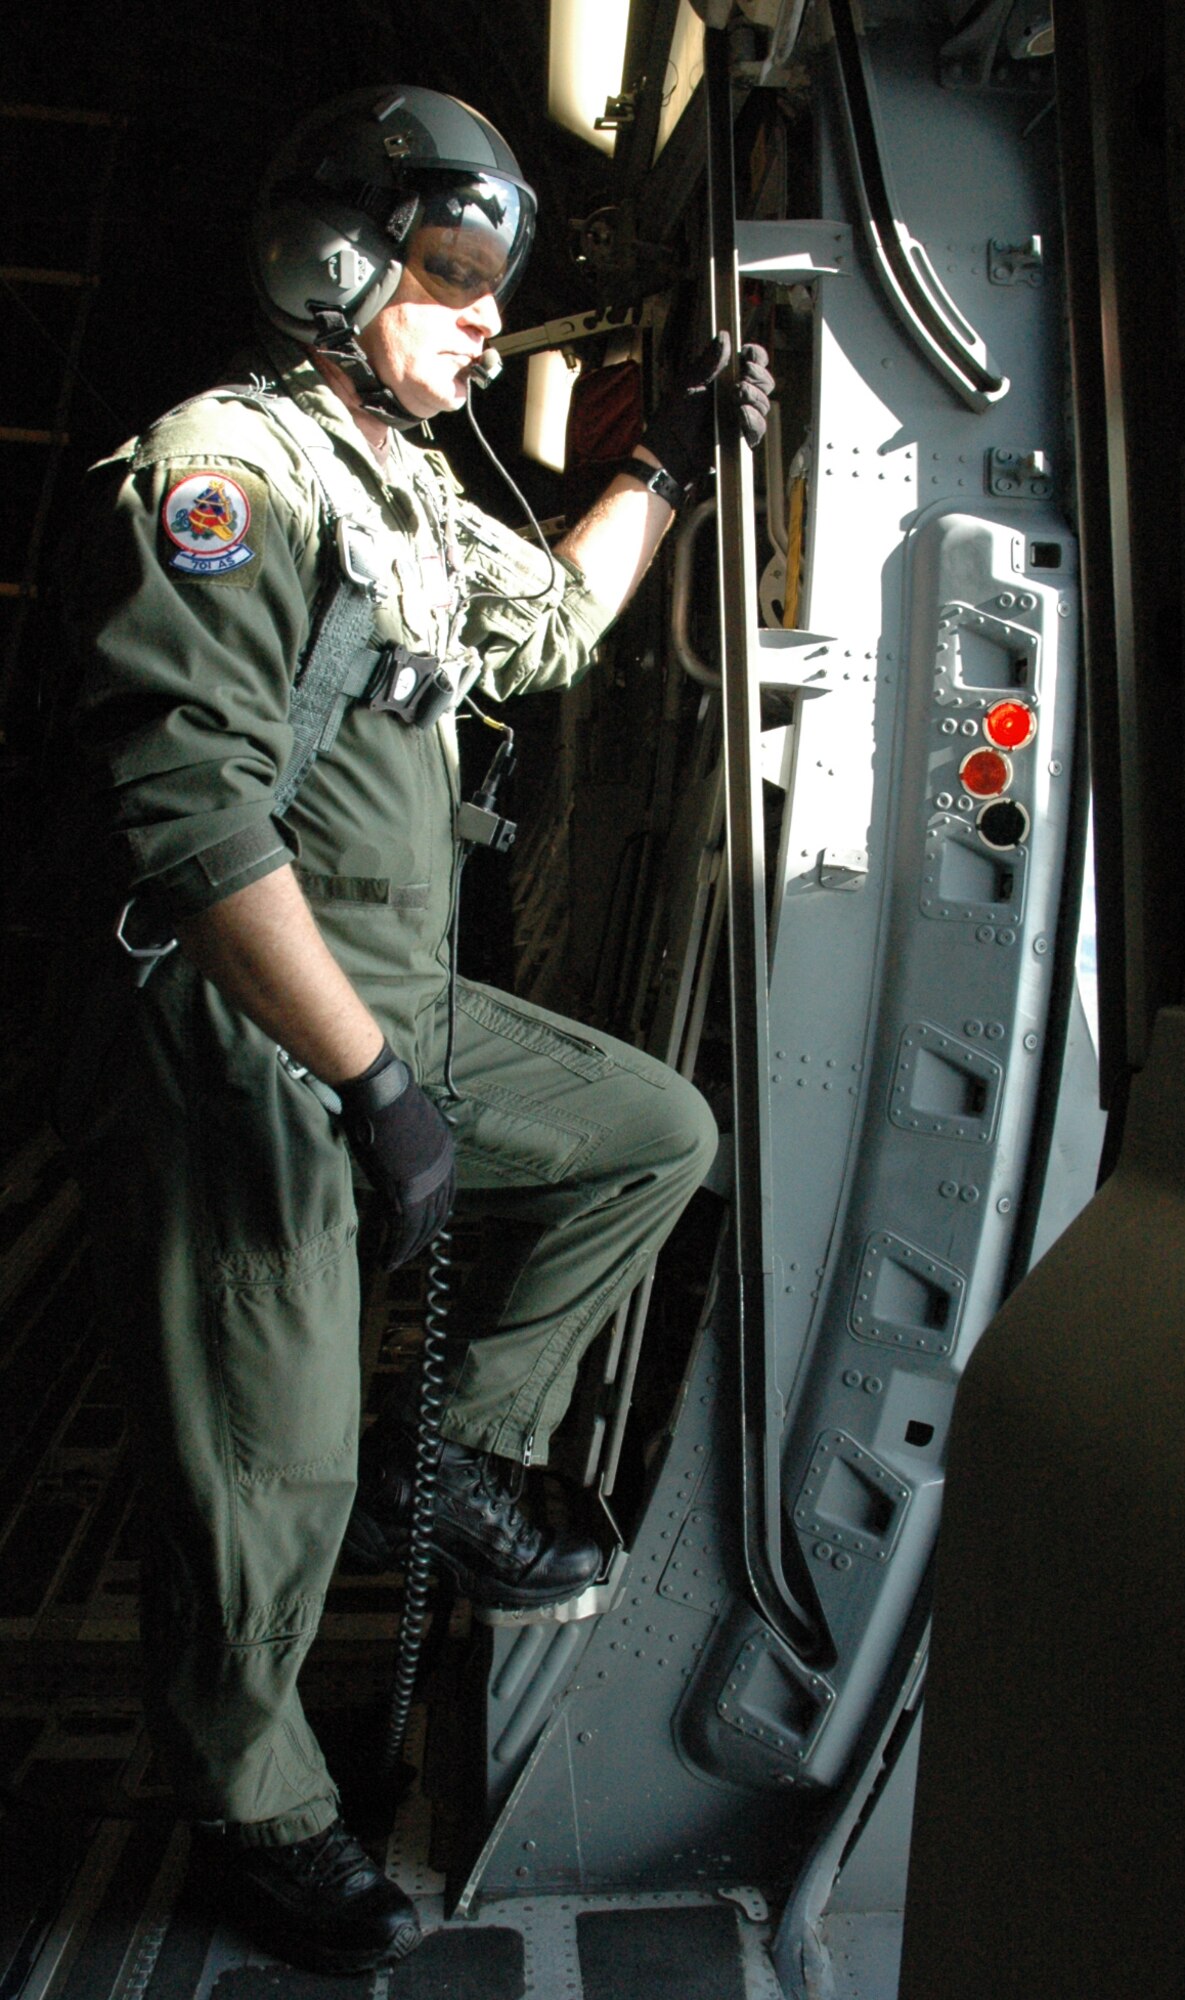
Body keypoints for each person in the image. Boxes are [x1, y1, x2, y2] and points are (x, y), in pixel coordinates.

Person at [55, 85, 772, 1974]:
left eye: (488, 286)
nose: (478, 318)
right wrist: (365, 1079)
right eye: (450, 278)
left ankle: (440, 1454)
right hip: (240, 1018)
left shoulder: (396, 481)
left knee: (650, 1134)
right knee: (260, 1463)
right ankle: (255, 1816)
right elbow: (188, 824)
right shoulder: (230, 470)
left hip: (392, 998)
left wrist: (670, 473)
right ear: (341, 264)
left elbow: (539, 626)